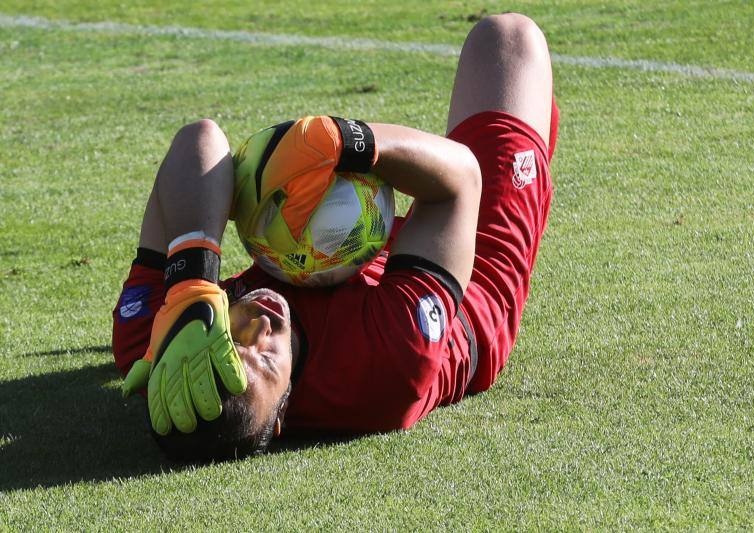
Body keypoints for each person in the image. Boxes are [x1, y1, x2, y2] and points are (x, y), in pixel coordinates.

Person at [113, 12, 559, 461]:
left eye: (230, 341)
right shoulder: (389, 362)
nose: (261, 326)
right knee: (506, 38)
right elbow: (460, 178)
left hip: (316, 260)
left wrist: (190, 285)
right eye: (266, 359)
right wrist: (350, 142)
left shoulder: (153, 341)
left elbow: (200, 140)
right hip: (461, 286)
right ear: (283, 412)